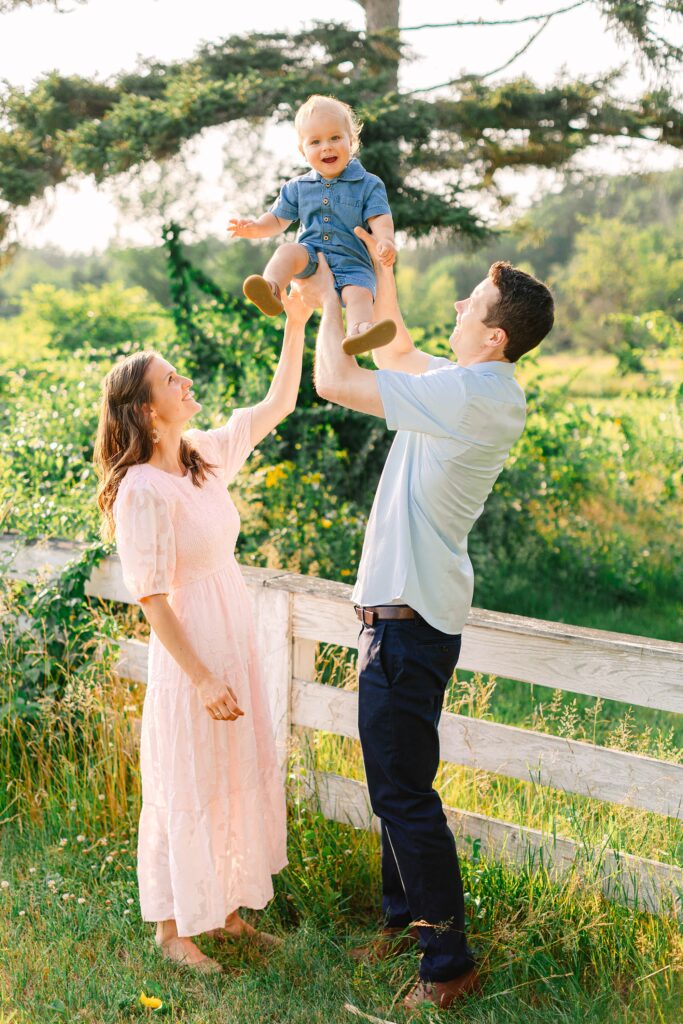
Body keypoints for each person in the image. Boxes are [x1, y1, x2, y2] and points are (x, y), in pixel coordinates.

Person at [296, 233, 554, 1012]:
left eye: (469, 302)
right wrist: (379, 272)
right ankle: (402, 920)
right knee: (396, 786)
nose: (456, 305)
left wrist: (322, 306)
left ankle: (447, 965)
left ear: (493, 335)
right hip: (407, 615)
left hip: (406, 622)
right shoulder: (471, 382)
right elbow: (400, 346)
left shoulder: (470, 394)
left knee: (403, 794)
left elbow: (335, 381)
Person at [93, 288, 313, 973]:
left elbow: (277, 405)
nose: (186, 383)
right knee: (183, 780)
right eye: (171, 379)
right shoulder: (140, 491)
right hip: (190, 653)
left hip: (232, 631)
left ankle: (222, 912)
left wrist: (298, 322)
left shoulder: (200, 459)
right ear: (144, 408)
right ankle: (172, 930)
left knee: (228, 774)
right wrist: (204, 677)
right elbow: (151, 598)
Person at [228, 93, 398, 356]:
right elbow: (276, 220)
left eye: (335, 138)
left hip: (354, 264)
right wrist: (255, 228)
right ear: (303, 150)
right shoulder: (297, 187)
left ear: (350, 142)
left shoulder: (368, 183)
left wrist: (385, 242)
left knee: (360, 294)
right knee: (286, 251)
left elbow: (380, 218)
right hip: (311, 256)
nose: (326, 147)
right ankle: (271, 288)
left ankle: (360, 331)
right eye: (315, 141)